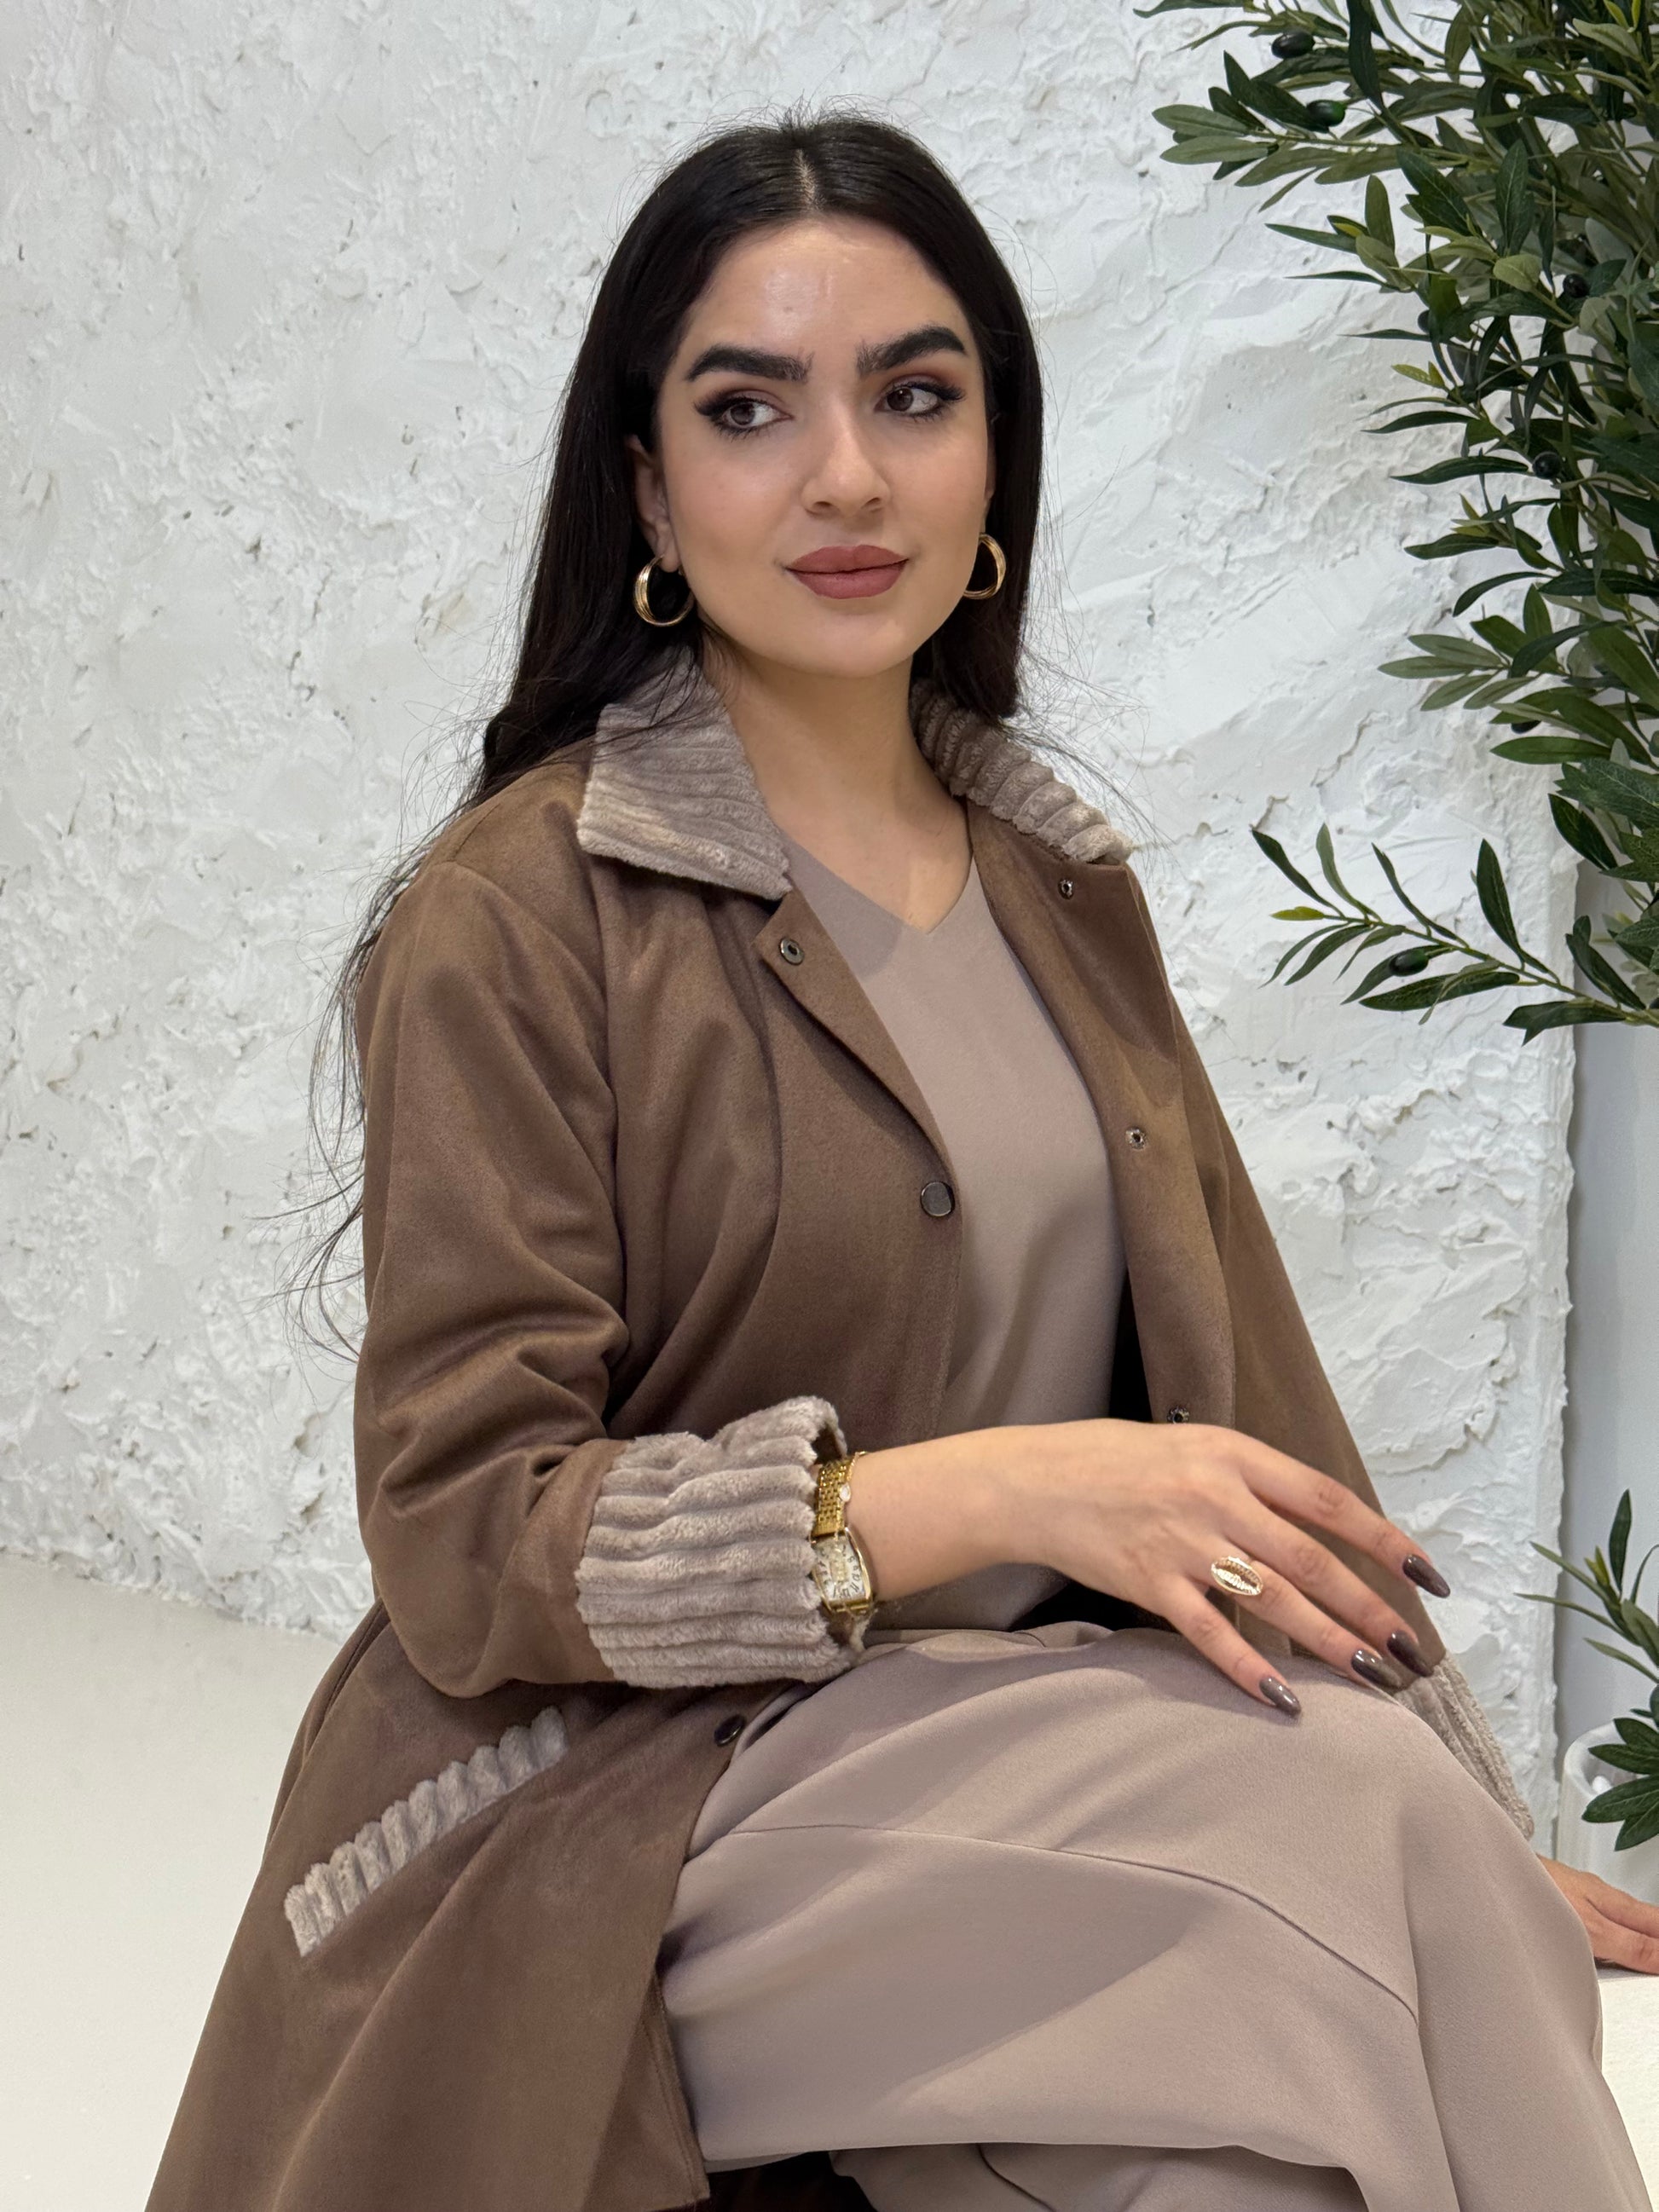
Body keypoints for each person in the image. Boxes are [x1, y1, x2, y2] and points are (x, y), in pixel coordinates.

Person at [147, 110, 1657, 2212]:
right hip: (626, 1793)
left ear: (994, 469)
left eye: (914, 396)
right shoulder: (519, 910)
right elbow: (465, 1528)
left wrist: (1472, 1822)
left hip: (1032, 1758)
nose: (845, 474)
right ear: (649, 489)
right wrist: (1004, 1488)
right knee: (1377, 1885)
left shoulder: (1056, 879)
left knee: (1309, 2090)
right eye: (749, 408)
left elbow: (1264, 1429)